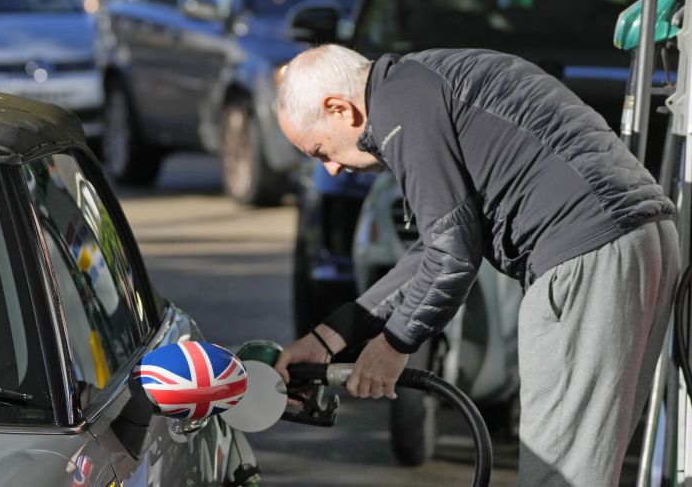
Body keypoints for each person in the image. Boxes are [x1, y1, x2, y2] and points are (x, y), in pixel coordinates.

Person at [272, 44, 680, 486]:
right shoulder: (420, 82)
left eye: (320, 151)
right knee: (587, 465)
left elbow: (451, 254)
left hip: (585, 255)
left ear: (339, 109)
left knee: (558, 474)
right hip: (643, 240)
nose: (331, 169)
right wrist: (330, 337)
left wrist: (394, 344)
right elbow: (436, 248)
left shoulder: (399, 105)